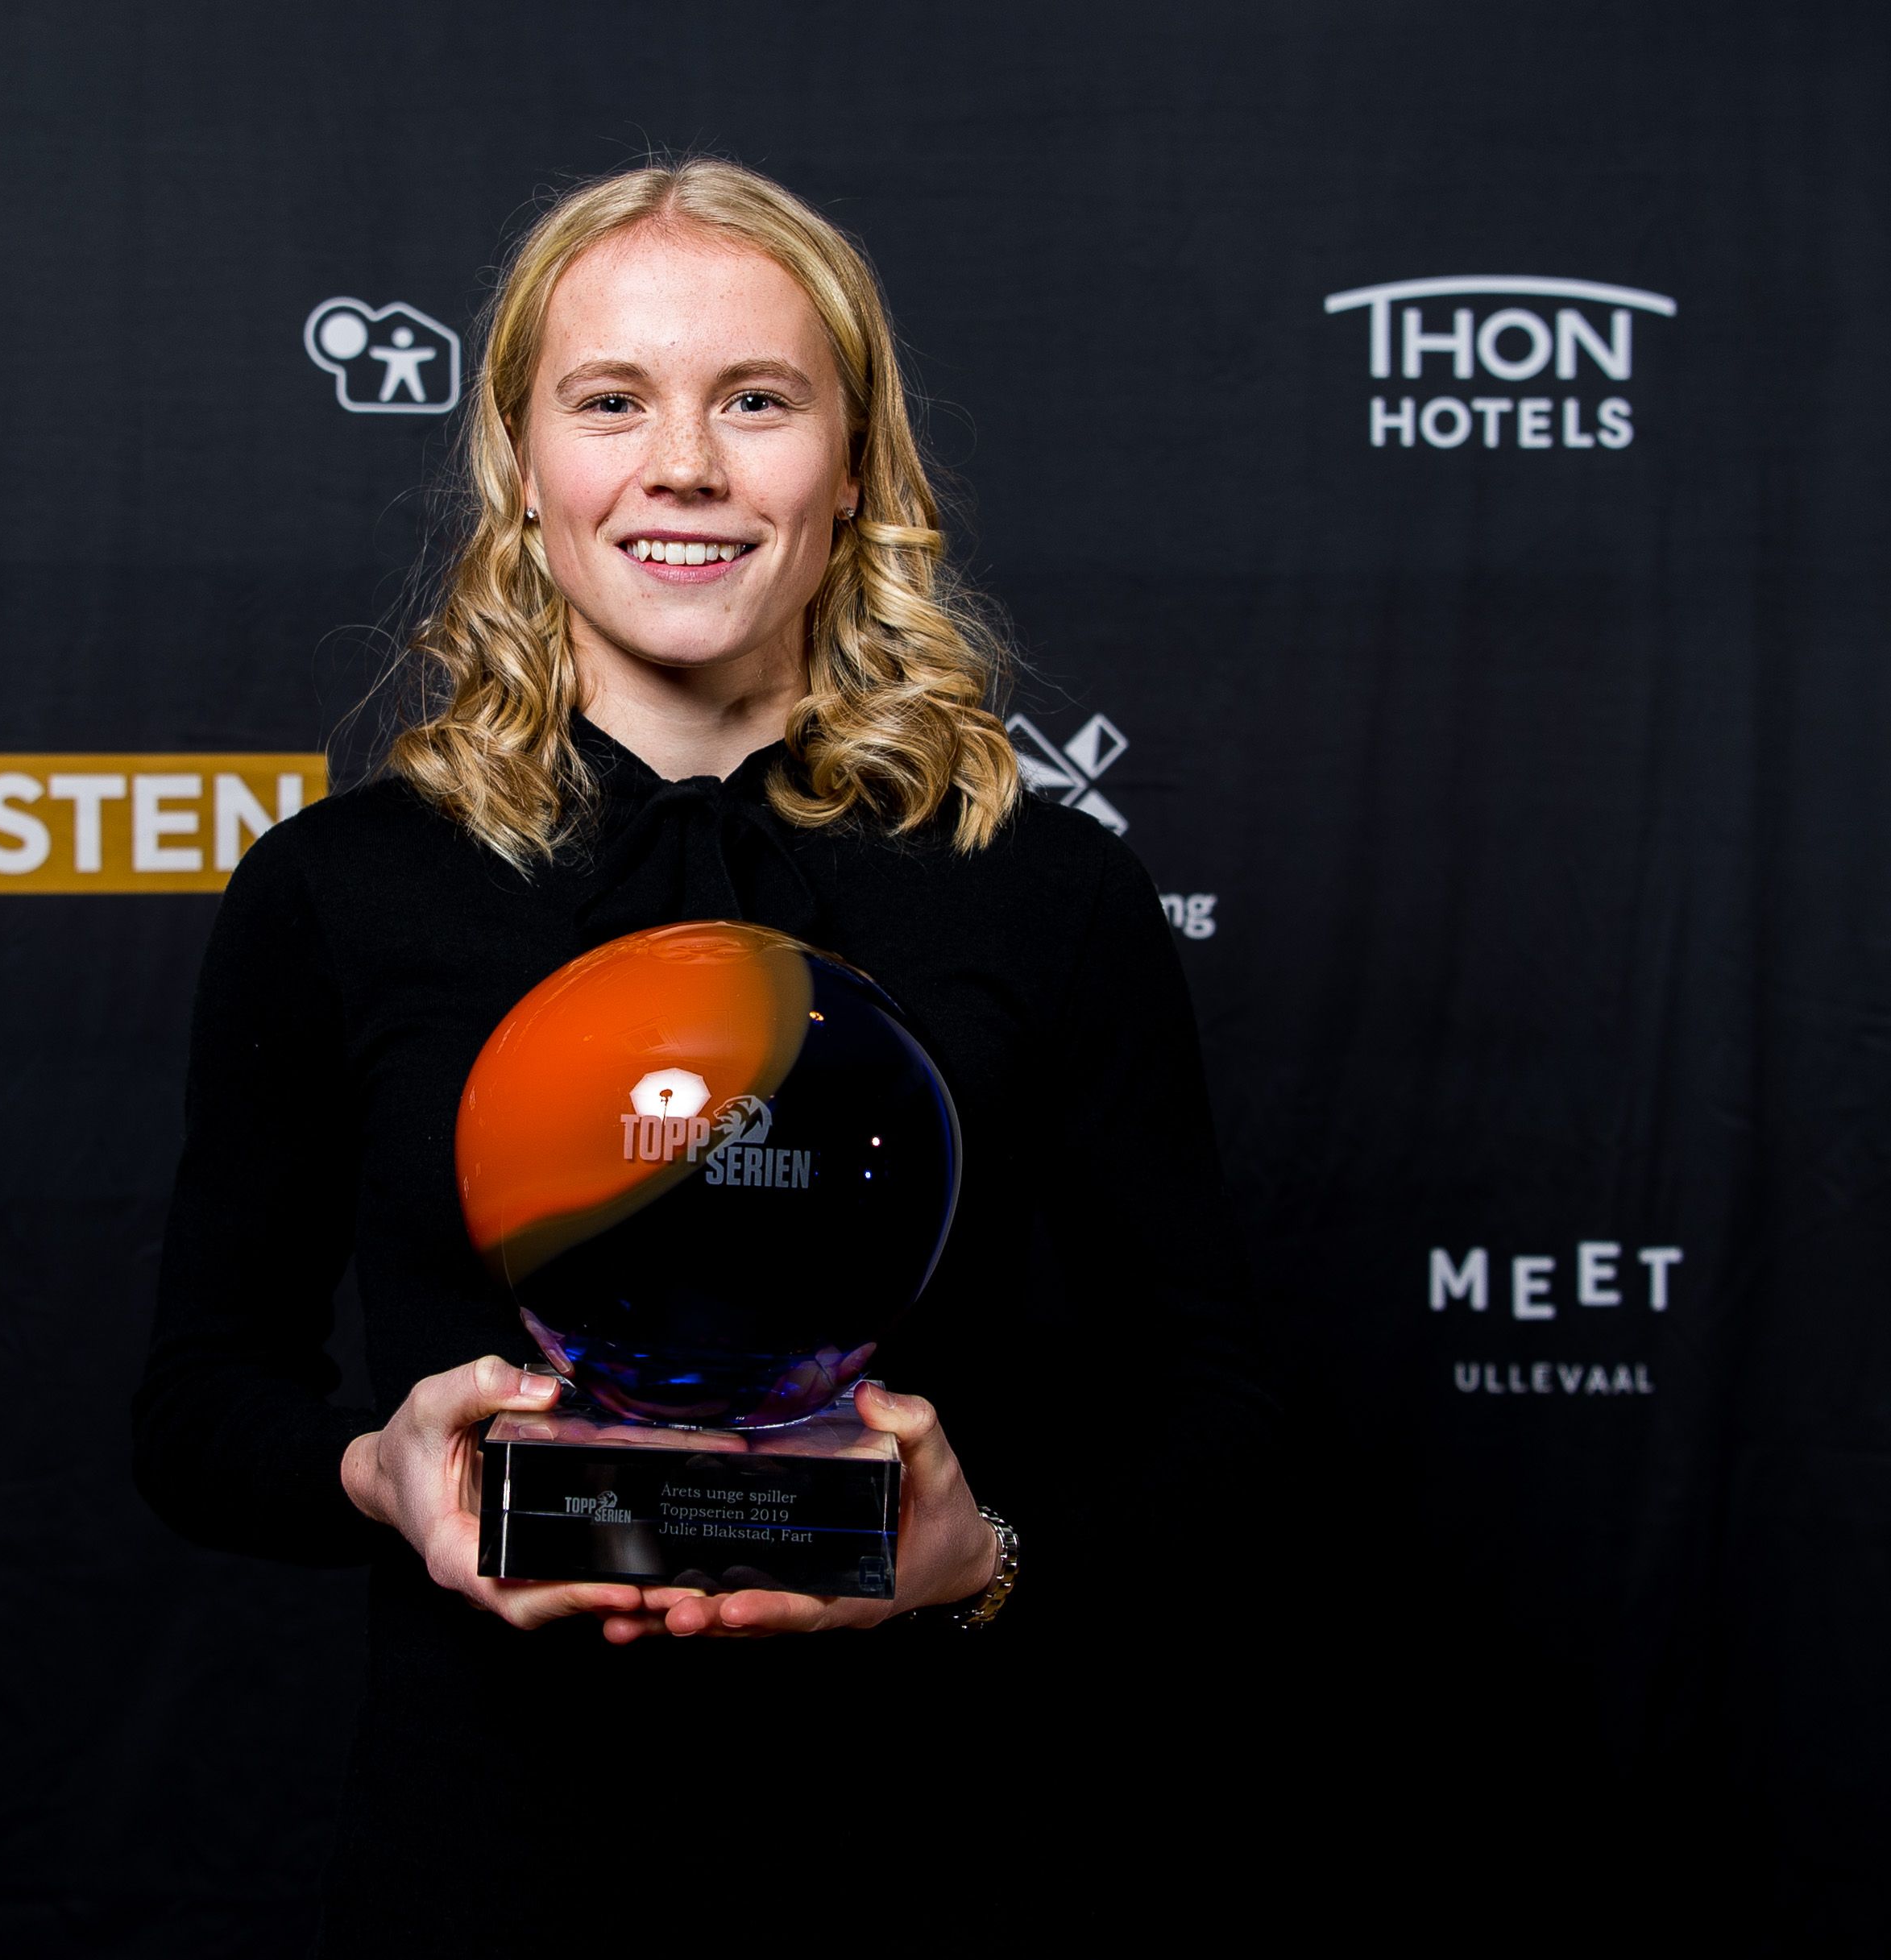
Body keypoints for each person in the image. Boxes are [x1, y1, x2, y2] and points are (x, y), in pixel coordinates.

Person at [134, 158, 1272, 1948]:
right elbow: (199, 1404)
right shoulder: (342, 890)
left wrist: (980, 1556)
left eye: (755, 399)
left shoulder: (1042, 888)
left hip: (941, 1860)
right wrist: (378, 1469)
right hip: (483, 1870)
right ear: (521, 463)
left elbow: (1221, 1410)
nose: (682, 464)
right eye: (611, 401)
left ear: (854, 462)